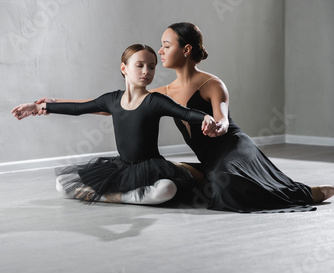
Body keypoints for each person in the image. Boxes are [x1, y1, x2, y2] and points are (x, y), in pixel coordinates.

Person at [32, 23, 334, 212]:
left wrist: (218, 124)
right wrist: (52, 103)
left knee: (226, 186)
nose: (161, 52)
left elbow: (223, 118)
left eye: (166, 45)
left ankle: (306, 192)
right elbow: (112, 106)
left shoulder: (211, 83)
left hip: (232, 148)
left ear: (185, 49)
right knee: (207, 183)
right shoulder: (160, 92)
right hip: (208, 156)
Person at [12, 44, 216, 205]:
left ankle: (114, 197)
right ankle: (122, 197)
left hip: (151, 168)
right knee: (61, 184)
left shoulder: (155, 101)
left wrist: (205, 118)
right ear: (124, 68)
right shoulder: (112, 100)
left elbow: (185, 112)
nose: (147, 71)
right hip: (121, 166)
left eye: (152, 66)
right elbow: (77, 108)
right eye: (140, 65)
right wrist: (39, 107)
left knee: (166, 189)